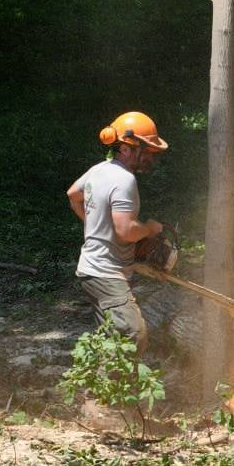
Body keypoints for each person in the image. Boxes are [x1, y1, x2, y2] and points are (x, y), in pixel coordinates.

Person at [67, 111, 168, 354]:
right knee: (132, 335)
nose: (150, 157)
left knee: (113, 337)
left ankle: (105, 389)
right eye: (146, 151)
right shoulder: (124, 180)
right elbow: (125, 230)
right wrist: (150, 229)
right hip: (106, 272)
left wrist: (96, 226)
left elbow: (73, 195)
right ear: (126, 148)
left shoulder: (98, 170)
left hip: (92, 269)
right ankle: (106, 391)